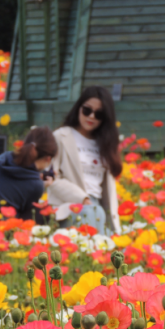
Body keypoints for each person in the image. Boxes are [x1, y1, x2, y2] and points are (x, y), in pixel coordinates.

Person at [48, 86, 123, 234]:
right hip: (70, 205)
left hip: (99, 208)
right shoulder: (61, 136)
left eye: (99, 114)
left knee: (113, 252)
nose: (91, 117)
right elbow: (50, 177)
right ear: (78, 108)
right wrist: (83, 199)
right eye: (87, 110)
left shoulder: (106, 144)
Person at [0, 126, 57, 222]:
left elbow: (10, 185)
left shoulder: (1, 158)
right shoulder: (35, 185)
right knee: (44, 212)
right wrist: (41, 185)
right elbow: (28, 215)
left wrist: (37, 181)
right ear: (48, 159)